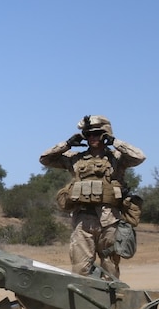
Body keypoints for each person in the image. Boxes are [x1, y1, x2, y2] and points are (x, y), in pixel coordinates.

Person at [39, 115, 145, 279]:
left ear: (105, 134)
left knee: (110, 270)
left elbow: (139, 156)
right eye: (88, 134)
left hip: (110, 221)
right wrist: (67, 144)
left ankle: (111, 303)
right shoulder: (75, 159)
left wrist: (114, 141)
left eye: (97, 133)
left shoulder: (117, 158)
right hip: (82, 221)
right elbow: (45, 159)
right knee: (80, 271)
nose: (92, 138)